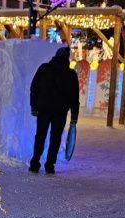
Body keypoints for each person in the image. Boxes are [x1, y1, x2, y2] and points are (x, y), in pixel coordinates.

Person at [30, 47, 80, 175]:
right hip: (60, 112)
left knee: (40, 136)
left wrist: (33, 106)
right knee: (55, 138)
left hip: (43, 109)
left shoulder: (44, 68)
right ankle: (50, 165)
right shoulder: (71, 74)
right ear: (67, 58)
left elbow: (34, 87)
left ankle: (35, 162)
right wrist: (74, 115)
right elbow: (75, 97)